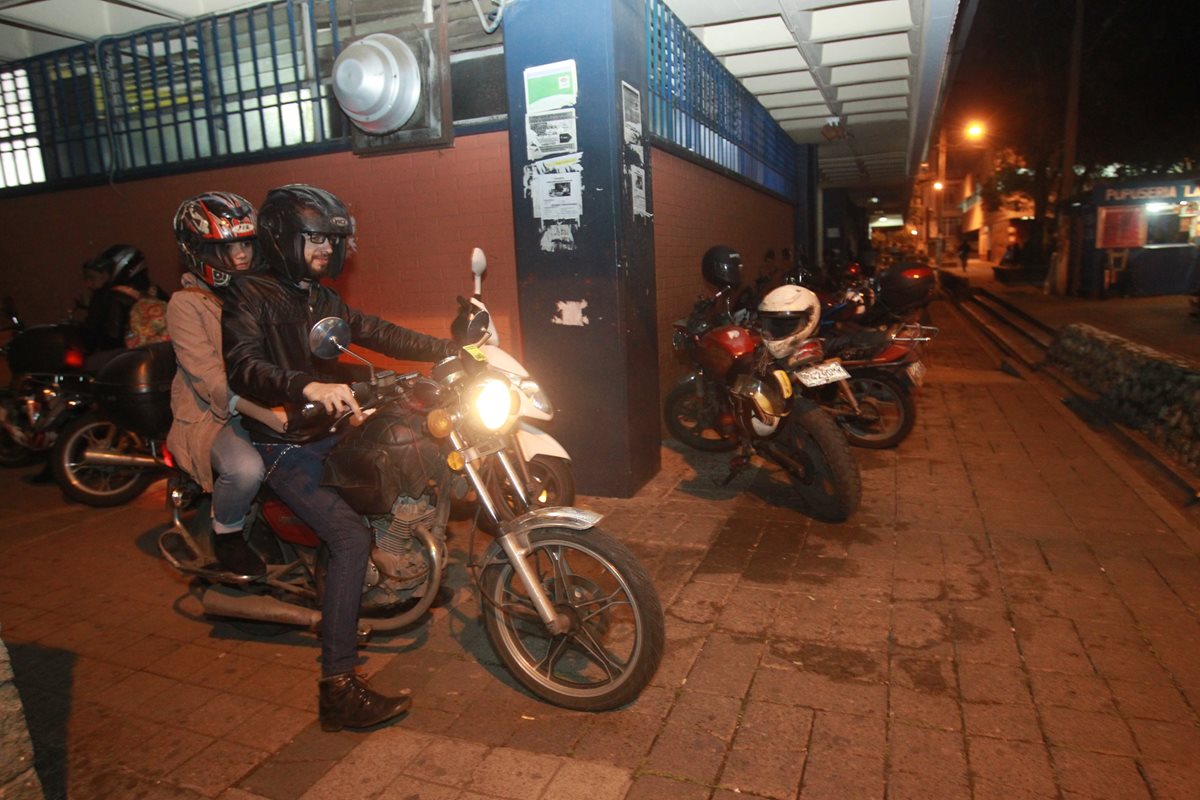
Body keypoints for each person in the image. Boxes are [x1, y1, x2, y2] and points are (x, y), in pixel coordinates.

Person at [221, 184, 459, 732]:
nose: (327, 250)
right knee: (350, 537)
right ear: (282, 238)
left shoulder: (320, 299)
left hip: (327, 431)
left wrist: (445, 349)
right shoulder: (248, 294)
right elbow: (243, 366)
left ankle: (405, 579)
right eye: (316, 239)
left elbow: (374, 331)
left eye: (332, 240)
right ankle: (338, 686)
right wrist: (303, 386)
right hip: (282, 443)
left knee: (412, 452)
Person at [167, 191, 286, 577]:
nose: (241, 257)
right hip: (215, 415)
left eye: (246, 244)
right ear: (198, 250)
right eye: (227, 247)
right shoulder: (186, 304)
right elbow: (208, 379)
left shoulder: (259, 293)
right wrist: (264, 413)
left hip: (266, 403)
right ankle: (228, 533)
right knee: (246, 468)